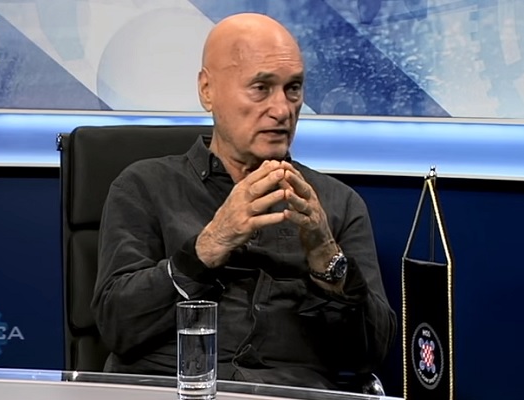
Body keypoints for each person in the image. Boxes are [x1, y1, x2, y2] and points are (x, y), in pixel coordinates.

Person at [92, 12, 397, 391]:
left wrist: (325, 257)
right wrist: (209, 246)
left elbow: (371, 354)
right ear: (207, 90)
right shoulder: (144, 187)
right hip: (172, 389)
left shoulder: (337, 204)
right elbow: (117, 325)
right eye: (261, 88)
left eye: (293, 88)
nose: (282, 110)